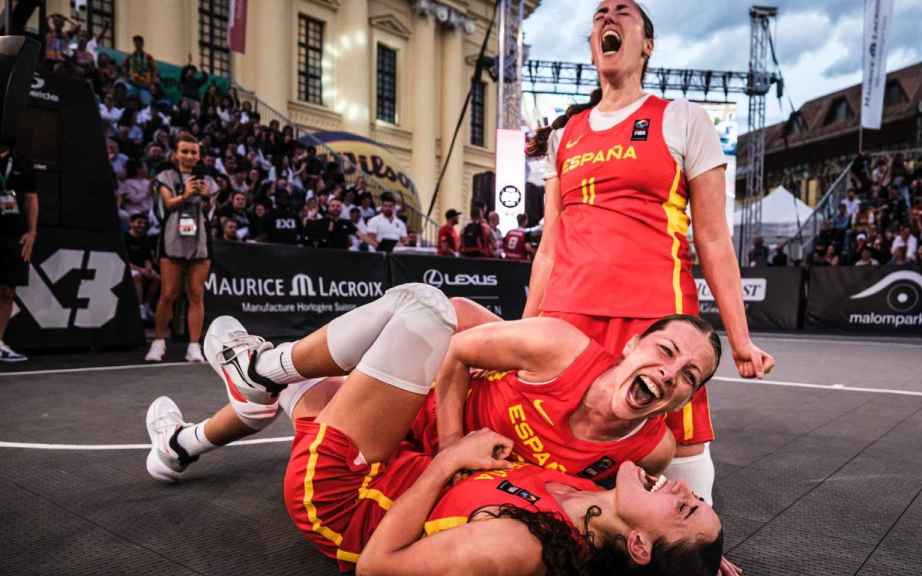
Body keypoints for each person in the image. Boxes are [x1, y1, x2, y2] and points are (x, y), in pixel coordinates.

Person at [146, 284, 723, 575]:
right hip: (423, 440)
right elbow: (459, 338)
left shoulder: (545, 530)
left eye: (687, 377)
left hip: (367, 490)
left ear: (687, 398)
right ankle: (183, 443)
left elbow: (378, 566)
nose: (670, 372)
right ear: (632, 344)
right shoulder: (563, 365)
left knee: (414, 314)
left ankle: (259, 371)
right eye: (666, 351)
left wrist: (690, 556)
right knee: (443, 314)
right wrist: (694, 555)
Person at [523, 0, 773, 533]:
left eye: (623, 12)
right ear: (593, 44)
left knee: (680, 456)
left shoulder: (681, 118)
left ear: (648, 44)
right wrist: (525, 329)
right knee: (564, 452)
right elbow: (550, 244)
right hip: (570, 318)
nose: (608, 18)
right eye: (599, 14)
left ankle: (693, 548)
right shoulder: (563, 137)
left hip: (659, 321)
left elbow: (711, 236)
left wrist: (741, 338)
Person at [146, 133, 215, 363]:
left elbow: (211, 209)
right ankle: (158, 342)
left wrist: (208, 198)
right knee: (168, 294)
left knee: (196, 294)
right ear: (175, 154)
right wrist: (185, 195)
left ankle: (194, 346)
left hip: (200, 242)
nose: (189, 155)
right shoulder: (165, 175)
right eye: (184, 151)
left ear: (199, 155)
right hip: (172, 239)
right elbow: (167, 204)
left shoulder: (207, 179)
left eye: (193, 152)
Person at [0, 143, 38, 362]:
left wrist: (32, 232)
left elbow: (32, 198)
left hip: (13, 234)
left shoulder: (22, 162)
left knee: (7, 291)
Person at [124, 213, 160, 321]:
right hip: (129, 269)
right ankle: (140, 308)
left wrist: (148, 268)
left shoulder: (145, 239)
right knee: (137, 277)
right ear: (131, 223)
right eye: (139, 222)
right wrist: (141, 270)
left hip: (142, 268)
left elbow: (147, 258)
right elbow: (125, 260)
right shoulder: (124, 237)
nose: (142, 225)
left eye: (144, 223)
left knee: (157, 278)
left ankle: (147, 305)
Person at [124, 35, 158, 106]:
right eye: (135, 42)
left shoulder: (148, 57)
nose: (137, 44)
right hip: (133, 84)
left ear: (142, 43)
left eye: (138, 42)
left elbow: (154, 70)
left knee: (147, 104)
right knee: (129, 102)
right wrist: (126, 78)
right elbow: (125, 68)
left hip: (144, 86)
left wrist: (152, 83)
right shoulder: (130, 57)